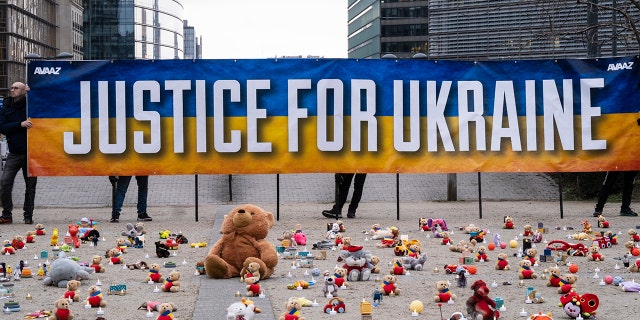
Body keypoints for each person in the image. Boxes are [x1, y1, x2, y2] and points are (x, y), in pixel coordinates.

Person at [0, 82, 37, 224]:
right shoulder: (7, 106)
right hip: (14, 152)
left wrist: (32, 92)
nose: (12, 90)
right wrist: (20, 124)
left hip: (31, 153)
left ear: (23, 91)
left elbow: (42, 102)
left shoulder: (29, 105)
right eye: (12, 88)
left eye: (16, 88)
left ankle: (28, 216)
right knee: (5, 182)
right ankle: (7, 214)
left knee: (30, 186)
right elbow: (2, 127)